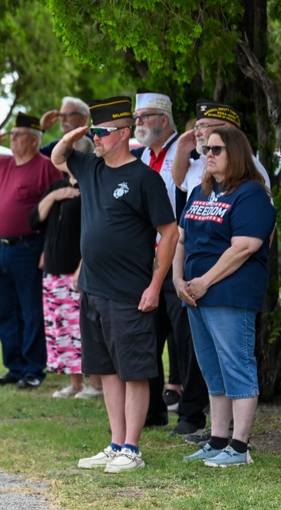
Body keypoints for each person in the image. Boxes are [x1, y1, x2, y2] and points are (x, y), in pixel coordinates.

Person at [52, 96, 178, 473]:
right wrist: (79, 132)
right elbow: (58, 157)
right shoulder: (90, 167)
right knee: (106, 369)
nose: (96, 138)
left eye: (102, 132)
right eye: (93, 131)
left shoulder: (144, 179)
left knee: (133, 370)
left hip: (129, 291)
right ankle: (115, 442)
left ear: (123, 134)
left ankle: (132, 449)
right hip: (92, 288)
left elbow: (169, 233)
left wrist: (156, 284)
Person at [174, 126, 275, 466]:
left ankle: (240, 447)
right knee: (212, 371)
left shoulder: (251, 195)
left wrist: (204, 281)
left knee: (237, 367)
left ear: (236, 153)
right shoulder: (199, 193)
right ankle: (218, 440)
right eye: (206, 150)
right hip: (194, 293)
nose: (209, 155)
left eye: (217, 149)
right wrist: (178, 278)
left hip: (229, 292)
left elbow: (245, 246)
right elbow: (182, 238)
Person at [0, 112, 62, 389]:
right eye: (12, 134)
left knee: (30, 310)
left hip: (29, 246)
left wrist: (47, 250)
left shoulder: (45, 167)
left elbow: (57, 212)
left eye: (18, 135)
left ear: (34, 139)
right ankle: (14, 366)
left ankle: (33, 368)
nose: (12, 139)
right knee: (4, 311)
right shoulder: (0, 164)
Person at [131, 91, 207, 435]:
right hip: (144, 260)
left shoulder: (189, 151)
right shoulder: (140, 155)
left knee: (185, 338)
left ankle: (191, 412)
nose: (138, 124)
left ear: (163, 119)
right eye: (136, 119)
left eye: (144, 117)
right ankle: (151, 410)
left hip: (179, 256)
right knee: (147, 334)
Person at [28, 172, 103, 400]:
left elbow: (95, 230)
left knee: (82, 329)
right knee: (60, 328)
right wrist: (55, 196)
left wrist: (83, 264)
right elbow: (34, 220)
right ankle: (75, 384)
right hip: (53, 267)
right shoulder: (57, 186)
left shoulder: (90, 186)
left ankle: (96, 384)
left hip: (76, 269)